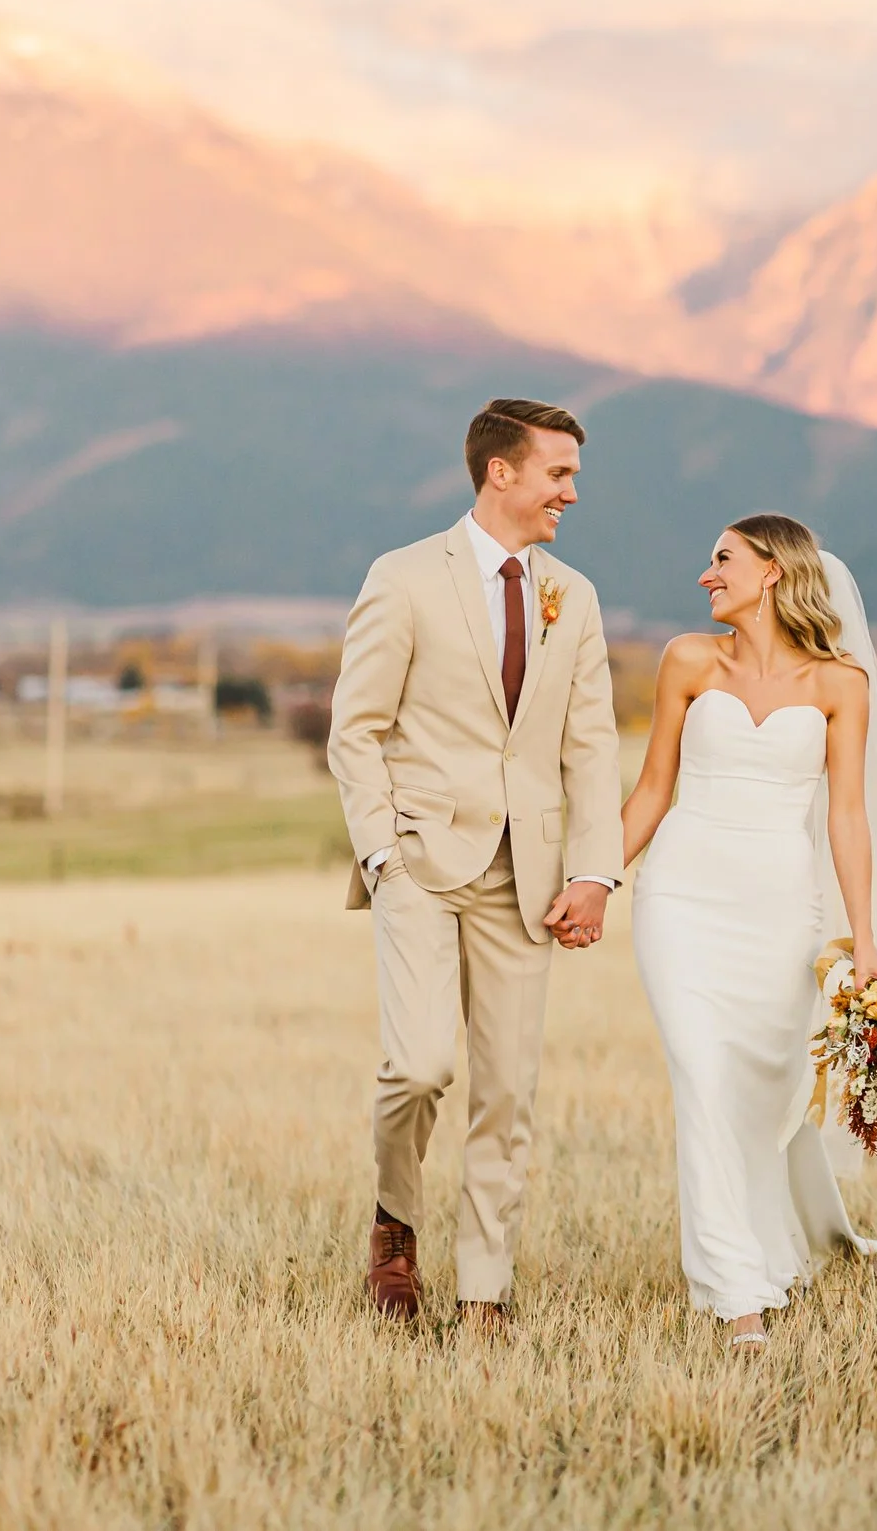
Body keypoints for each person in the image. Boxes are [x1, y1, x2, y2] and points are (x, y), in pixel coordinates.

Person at [622, 513, 877, 1353]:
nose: (706, 576)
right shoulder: (686, 661)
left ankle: (774, 1240)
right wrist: (592, 879)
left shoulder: (838, 684)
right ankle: (735, 1291)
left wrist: (866, 938)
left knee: (766, 1094)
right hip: (680, 899)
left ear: (772, 570)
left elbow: (848, 817)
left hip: (779, 911)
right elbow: (652, 788)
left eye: (723, 559)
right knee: (702, 1076)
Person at [326, 397, 625, 1337]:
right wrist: (381, 853)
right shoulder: (405, 576)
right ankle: (395, 1217)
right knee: (418, 1068)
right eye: (558, 473)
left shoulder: (570, 595)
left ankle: (484, 1293)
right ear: (502, 471)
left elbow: (593, 744)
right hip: (418, 859)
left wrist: (595, 870)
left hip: (527, 877)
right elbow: (355, 729)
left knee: (508, 1089)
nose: (570, 493)